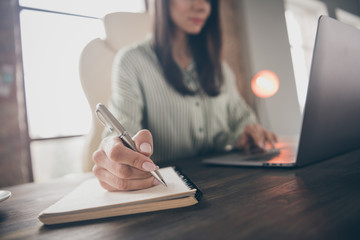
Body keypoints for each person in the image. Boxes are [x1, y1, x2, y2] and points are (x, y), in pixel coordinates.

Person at [92, 0, 277, 191]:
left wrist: (248, 135)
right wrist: (115, 155)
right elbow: (121, 135)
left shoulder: (221, 69)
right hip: (165, 191)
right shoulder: (132, 61)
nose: (203, 7)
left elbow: (243, 121)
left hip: (228, 187)